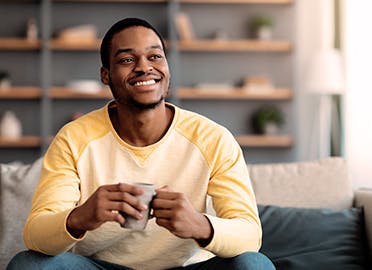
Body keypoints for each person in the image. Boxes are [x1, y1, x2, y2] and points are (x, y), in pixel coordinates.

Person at [7, 18, 275, 270]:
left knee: (255, 265)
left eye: (155, 56)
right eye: (126, 59)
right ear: (106, 75)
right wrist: (81, 217)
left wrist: (201, 225)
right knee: (28, 265)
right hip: (100, 266)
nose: (144, 66)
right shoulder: (73, 139)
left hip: (186, 267)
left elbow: (250, 236)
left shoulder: (213, 138)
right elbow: (36, 234)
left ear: (167, 67)